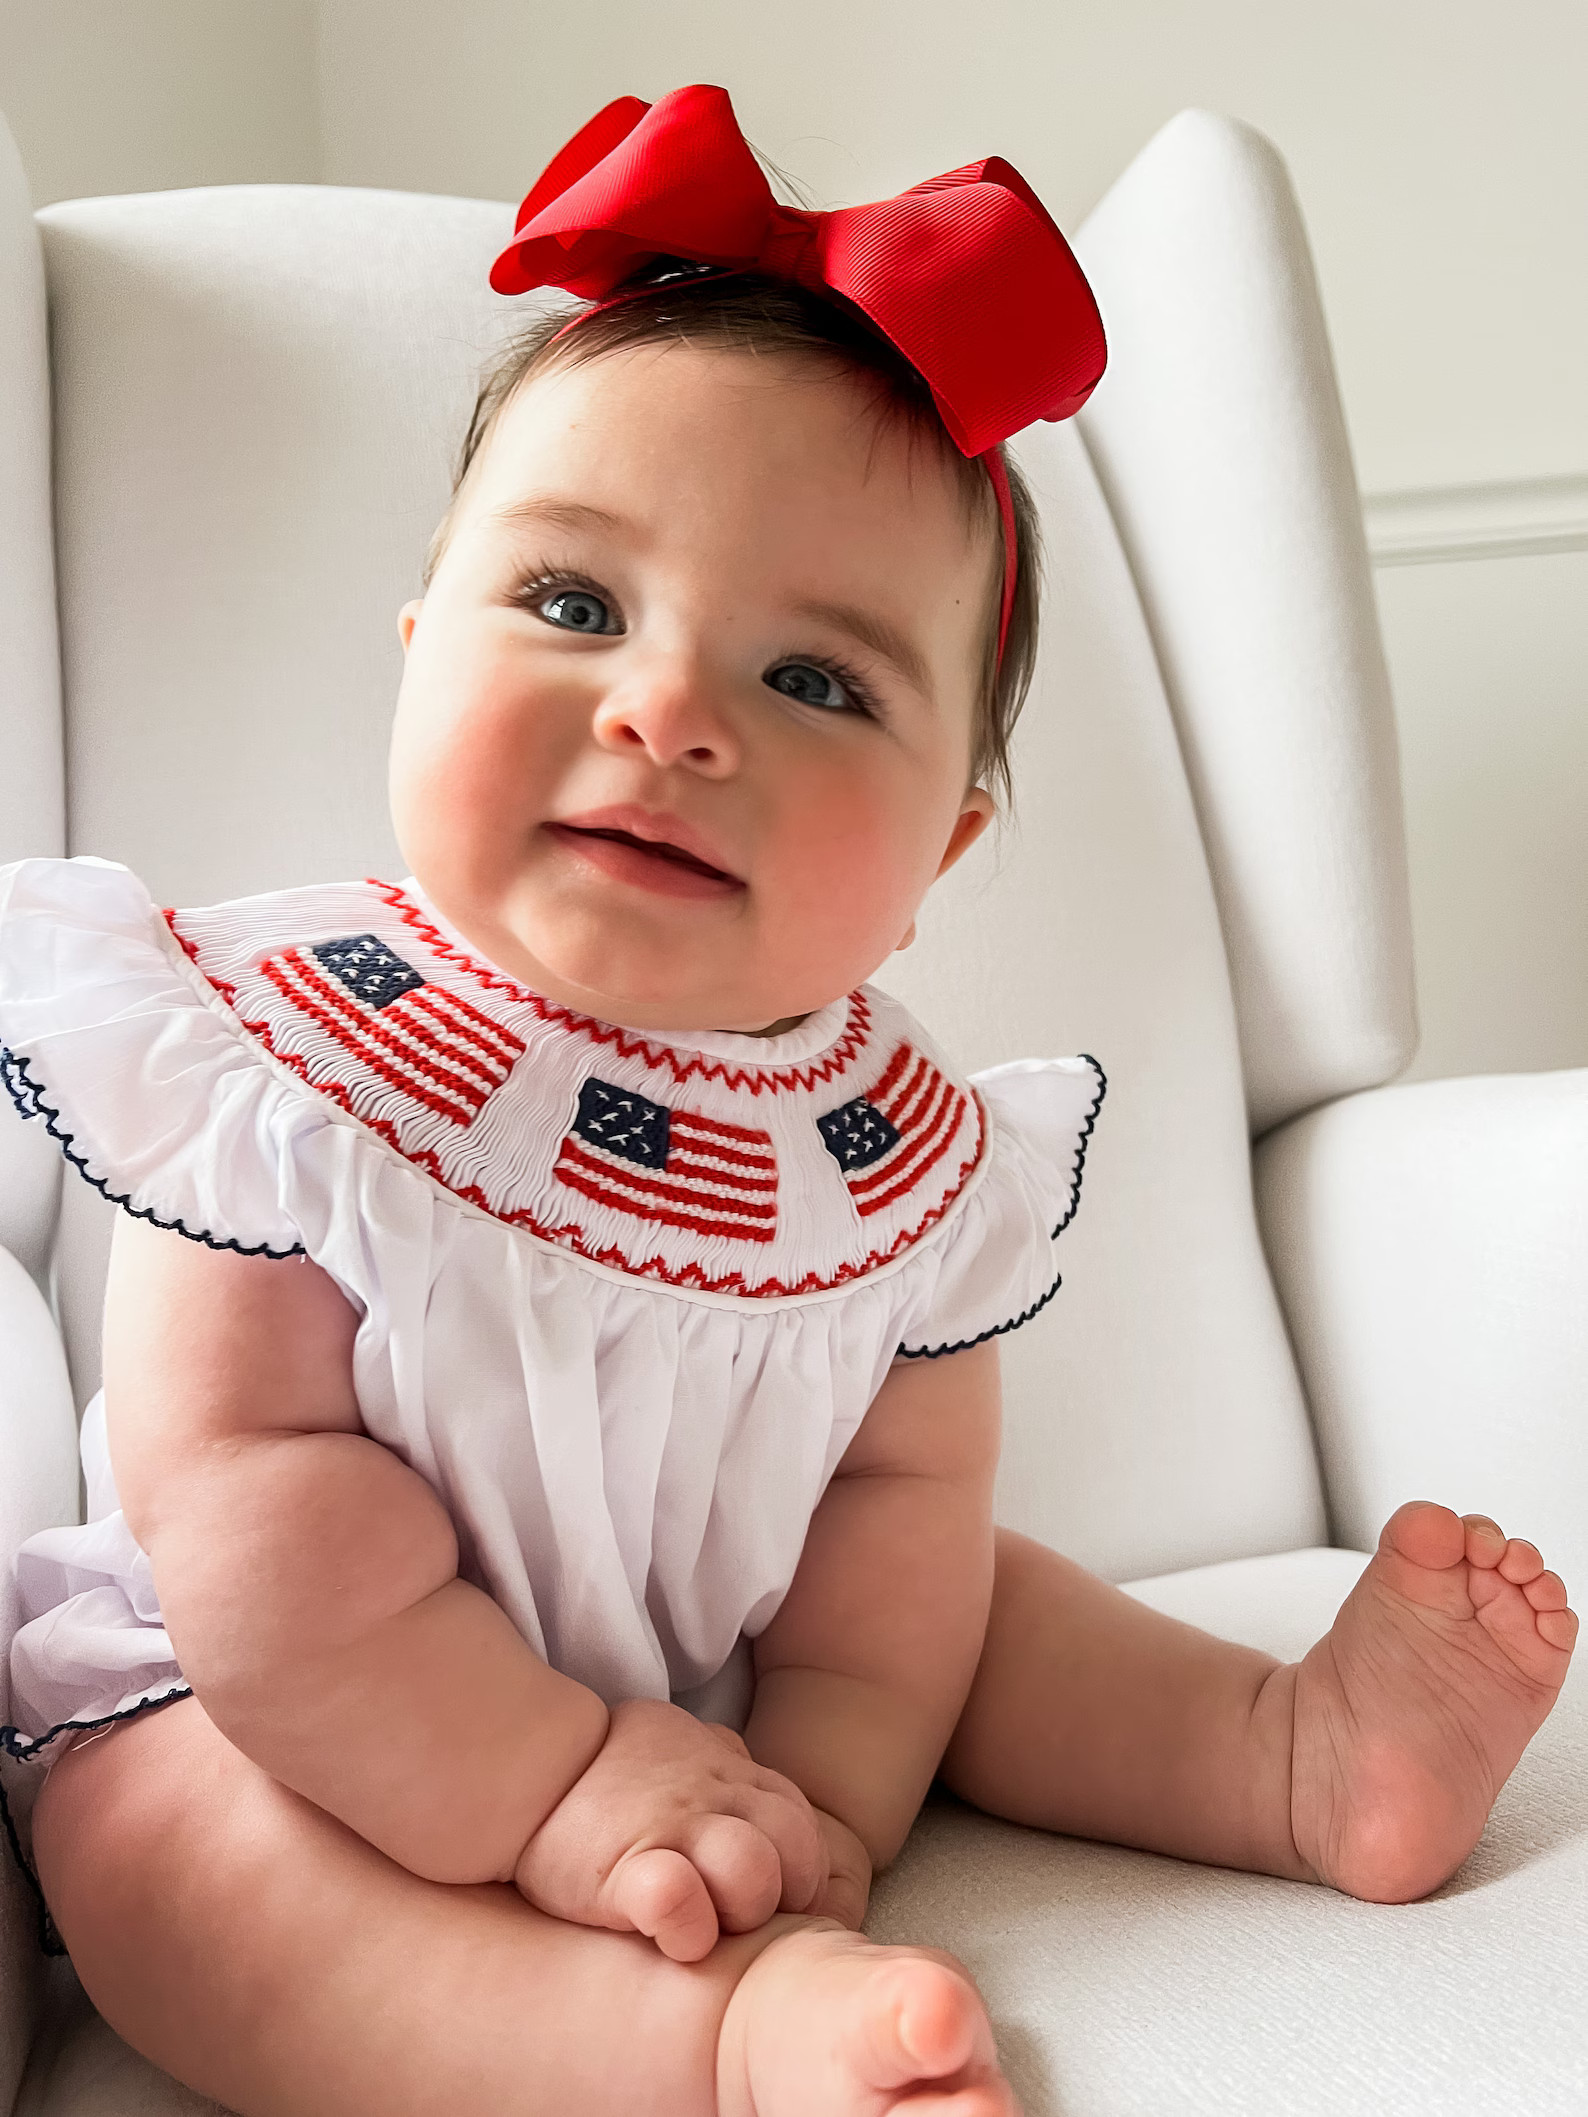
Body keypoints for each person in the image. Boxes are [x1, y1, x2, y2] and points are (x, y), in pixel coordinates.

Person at [0, 84, 1574, 2117]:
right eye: (571, 605)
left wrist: (820, 1773)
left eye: (813, 682)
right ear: (412, 657)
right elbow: (248, 1504)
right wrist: (561, 1779)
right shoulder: (299, 1063)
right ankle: (697, 2047)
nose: (663, 712)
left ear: (942, 848)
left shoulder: (900, 1161)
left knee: (984, 1599)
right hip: (279, 1686)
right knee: (169, 1864)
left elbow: (892, 1507)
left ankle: (1284, 1756)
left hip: (723, 1664)